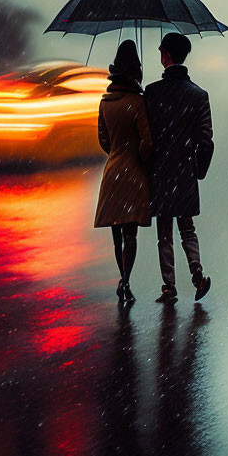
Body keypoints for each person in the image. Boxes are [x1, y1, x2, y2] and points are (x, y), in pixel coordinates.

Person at [144, 32, 213, 303]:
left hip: (160, 171)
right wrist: (198, 170)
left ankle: (169, 286)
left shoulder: (151, 93)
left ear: (167, 56)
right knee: (187, 227)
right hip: (184, 170)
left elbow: (145, 136)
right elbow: (206, 140)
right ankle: (196, 272)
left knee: (164, 231)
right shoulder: (198, 95)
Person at [94, 39, 153, 303]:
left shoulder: (105, 102)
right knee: (131, 234)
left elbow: (103, 140)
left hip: (112, 172)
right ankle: (127, 280)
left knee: (116, 234)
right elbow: (147, 142)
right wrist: (140, 157)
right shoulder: (138, 102)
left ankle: (123, 279)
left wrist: (117, 152)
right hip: (133, 174)